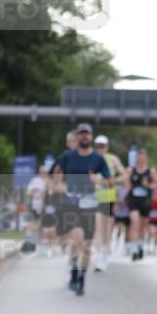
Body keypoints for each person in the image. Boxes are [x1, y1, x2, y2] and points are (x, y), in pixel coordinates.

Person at [56, 124, 111, 296]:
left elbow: (110, 182)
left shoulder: (98, 159)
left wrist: (98, 181)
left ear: (91, 137)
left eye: (87, 134)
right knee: (76, 239)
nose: (84, 137)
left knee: (87, 245)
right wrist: (60, 185)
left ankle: (81, 277)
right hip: (72, 202)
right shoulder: (67, 157)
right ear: (77, 137)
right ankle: (73, 267)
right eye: (81, 134)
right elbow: (56, 175)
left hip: (89, 203)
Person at [93, 134, 126, 272]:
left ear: (107, 147)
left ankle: (105, 252)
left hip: (109, 199)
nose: (100, 149)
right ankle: (99, 256)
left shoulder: (113, 159)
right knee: (98, 228)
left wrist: (112, 180)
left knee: (107, 228)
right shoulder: (91, 159)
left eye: (103, 146)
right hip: (95, 198)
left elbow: (124, 175)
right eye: (98, 146)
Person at [125, 149, 157, 261]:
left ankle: (140, 245)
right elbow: (126, 184)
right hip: (133, 200)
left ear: (146, 159)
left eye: (143, 158)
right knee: (134, 222)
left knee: (142, 225)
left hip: (145, 201)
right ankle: (133, 248)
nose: (141, 160)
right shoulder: (131, 170)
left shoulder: (150, 171)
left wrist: (148, 185)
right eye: (139, 158)